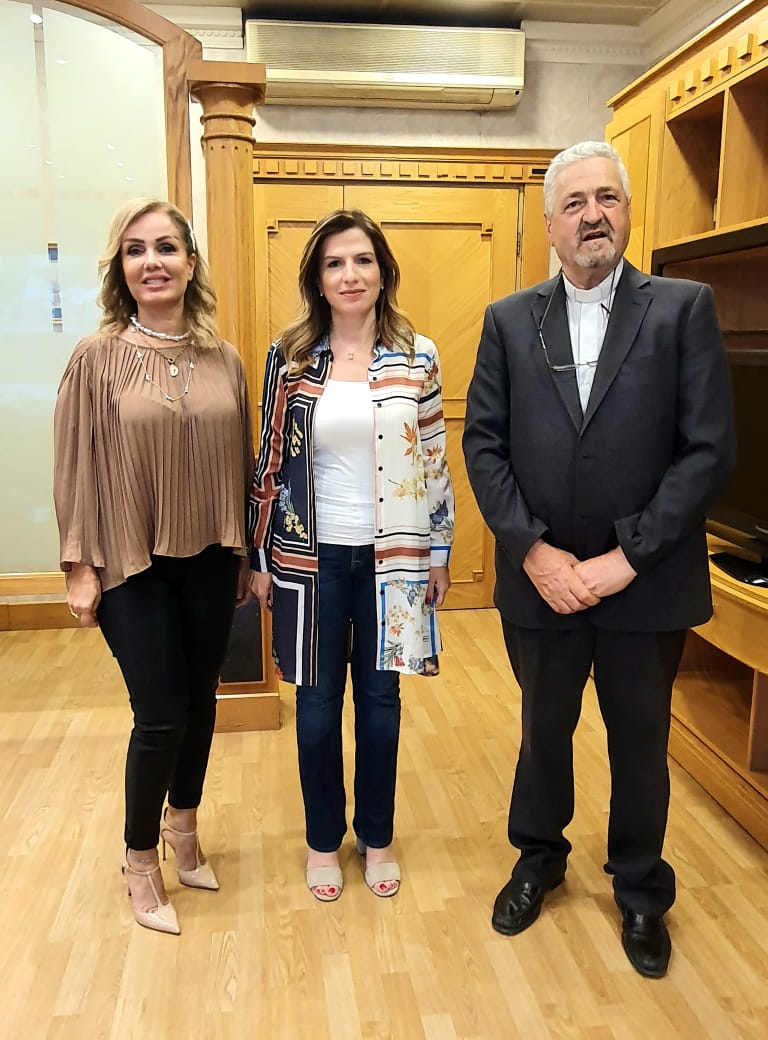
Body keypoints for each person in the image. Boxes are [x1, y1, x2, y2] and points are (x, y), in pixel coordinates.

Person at [462, 141, 735, 978]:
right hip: (540, 585)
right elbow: (483, 445)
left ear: (627, 212)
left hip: (645, 586)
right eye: (575, 202)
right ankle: (539, 860)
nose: (592, 215)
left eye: (607, 198)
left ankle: (642, 891)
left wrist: (629, 558)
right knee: (542, 733)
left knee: (640, 744)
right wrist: (534, 552)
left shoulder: (683, 309)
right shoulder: (509, 320)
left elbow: (707, 451)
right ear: (549, 224)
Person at [53, 198, 254, 935]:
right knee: (161, 712)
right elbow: (74, 466)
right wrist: (78, 566)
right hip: (129, 563)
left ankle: (184, 829)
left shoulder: (224, 359)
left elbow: (242, 462)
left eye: (166, 247)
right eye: (135, 250)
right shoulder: (95, 358)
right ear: (121, 269)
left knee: (202, 702)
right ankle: (140, 858)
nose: (152, 262)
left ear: (190, 264)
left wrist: (243, 551)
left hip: (210, 558)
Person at [249, 209, 454, 901]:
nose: (350, 275)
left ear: (383, 272)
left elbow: (433, 459)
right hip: (308, 561)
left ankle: (377, 834)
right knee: (315, 709)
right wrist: (258, 557)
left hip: (393, 559)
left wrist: (439, 551)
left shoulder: (417, 354)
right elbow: (269, 462)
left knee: (380, 703)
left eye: (362, 260)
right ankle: (321, 840)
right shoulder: (291, 357)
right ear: (317, 278)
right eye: (334, 263)